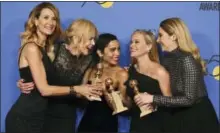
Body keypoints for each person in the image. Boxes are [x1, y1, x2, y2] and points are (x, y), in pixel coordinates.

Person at [6, 3, 101, 133]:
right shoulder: (33, 48)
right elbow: (44, 89)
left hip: (40, 117)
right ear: (35, 21)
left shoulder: (46, 48)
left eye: (54, 19)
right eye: (46, 17)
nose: (51, 22)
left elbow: (40, 78)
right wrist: (77, 89)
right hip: (25, 117)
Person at [143, 17, 219, 133]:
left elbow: (189, 99)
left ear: (173, 37)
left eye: (161, 35)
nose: (157, 40)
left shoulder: (186, 59)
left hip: (197, 119)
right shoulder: (167, 58)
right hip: (178, 115)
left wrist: (153, 98)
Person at [77, 33, 131, 133]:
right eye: (112, 50)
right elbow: (81, 102)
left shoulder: (121, 74)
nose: (117, 53)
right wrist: (86, 92)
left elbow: (125, 108)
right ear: (100, 53)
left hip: (107, 126)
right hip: (86, 124)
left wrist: (106, 92)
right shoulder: (90, 71)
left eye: (118, 49)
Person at [124, 29, 172, 133]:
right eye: (131, 42)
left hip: (157, 125)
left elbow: (170, 101)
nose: (132, 45)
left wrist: (153, 102)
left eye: (136, 42)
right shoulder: (130, 71)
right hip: (136, 125)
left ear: (149, 46)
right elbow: (129, 103)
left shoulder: (160, 72)